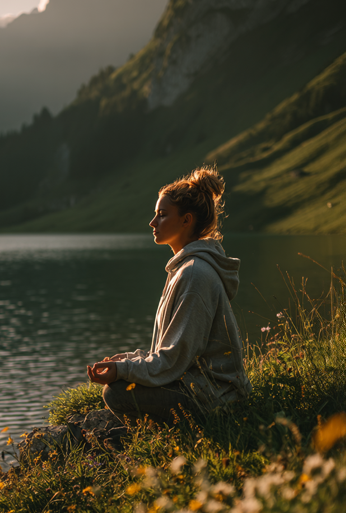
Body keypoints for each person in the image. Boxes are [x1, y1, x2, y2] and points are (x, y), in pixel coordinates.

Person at [86, 166, 252, 426]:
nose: (153, 223)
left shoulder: (195, 274)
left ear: (187, 220)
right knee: (123, 382)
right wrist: (128, 360)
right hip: (199, 386)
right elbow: (173, 352)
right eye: (155, 215)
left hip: (216, 398)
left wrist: (123, 371)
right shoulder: (185, 269)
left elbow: (173, 360)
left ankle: (180, 435)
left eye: (162, 215)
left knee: (116, 393)